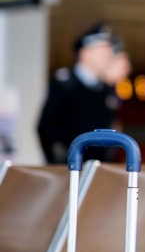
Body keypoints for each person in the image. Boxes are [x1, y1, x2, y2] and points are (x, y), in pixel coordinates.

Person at [37, 23, 120, 163]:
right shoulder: (63, 84)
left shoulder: (105, 89)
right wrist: (57, 162)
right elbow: (45, 127)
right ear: (85, 53)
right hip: (69, 168)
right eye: (103, 51)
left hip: (97, 168)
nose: (108, 56)